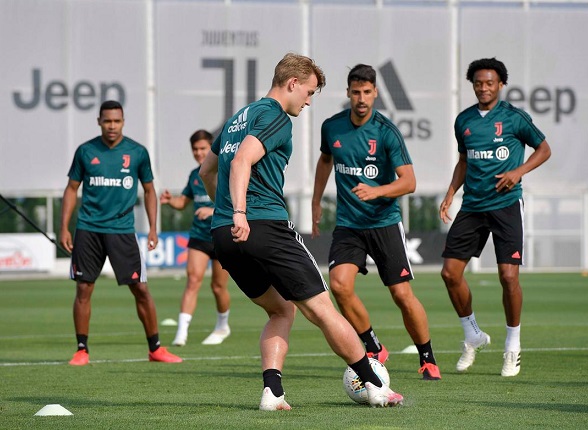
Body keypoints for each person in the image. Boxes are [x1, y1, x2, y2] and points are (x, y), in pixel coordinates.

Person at [199, 53, 403, 410]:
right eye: (308, 92)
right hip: (264, 227)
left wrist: (228, 213)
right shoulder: (276, 117)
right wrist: (243, 212)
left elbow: (206, 171)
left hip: (224, 237)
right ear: (292, 84)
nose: (309, 101)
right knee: (323, 309)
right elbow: (244, 158)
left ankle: (272, 393)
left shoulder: (237, 118)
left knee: (281, 311)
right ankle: (375, 386)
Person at [311, 64, 441, 381]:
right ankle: (373, 346)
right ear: (348, 93)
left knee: (401, 295)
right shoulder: (332, 127)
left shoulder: (386, 131)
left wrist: (377, 191)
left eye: (367, 92)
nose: (361, 98)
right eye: (356, 92)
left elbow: (409, 181)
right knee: (339, 285)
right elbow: (325, 159)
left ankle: (427, 357)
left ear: (375, 93)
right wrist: (316, 201)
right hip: (349, 224)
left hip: (384, 222)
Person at [439, 58, 552, 377]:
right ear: (472, 85)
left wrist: (518, 172)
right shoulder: (464, 120)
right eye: (478, 83)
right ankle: (472, 334)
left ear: (500, 84)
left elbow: (544, 149)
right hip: (473, 205)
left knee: (509, 277)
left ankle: (512, 346)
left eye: (489, 83)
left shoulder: (515, 118)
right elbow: (464, 160)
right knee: (450, 274)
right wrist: (451, 192)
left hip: (505, 205)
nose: (483, 88)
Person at [60, 100, 182, 366]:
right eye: (107, 121)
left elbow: (149, 190)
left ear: (123, 121)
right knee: (83, 288)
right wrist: (64, 227)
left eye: (116, 121)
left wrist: (152, 228)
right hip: (88, 229)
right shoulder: (85, 151)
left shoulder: (137, 152)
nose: (112, 126)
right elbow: (71, 189)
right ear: (99, 121)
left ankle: (156, 349)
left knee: (140, 288)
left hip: (122, 230)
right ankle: (82, 349)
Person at [160, 129, 232, 346]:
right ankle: (181, 333)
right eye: (195, 149)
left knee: (218, 286)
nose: (199, 153)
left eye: (203, 148)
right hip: (199, 235)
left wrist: (213, 211)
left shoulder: (226, 170)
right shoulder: (195, 175)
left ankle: (222, 325)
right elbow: (184, 202)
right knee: (192, 280)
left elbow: (236, 201)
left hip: (221, 234)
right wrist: (171, 200)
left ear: (212, 148)